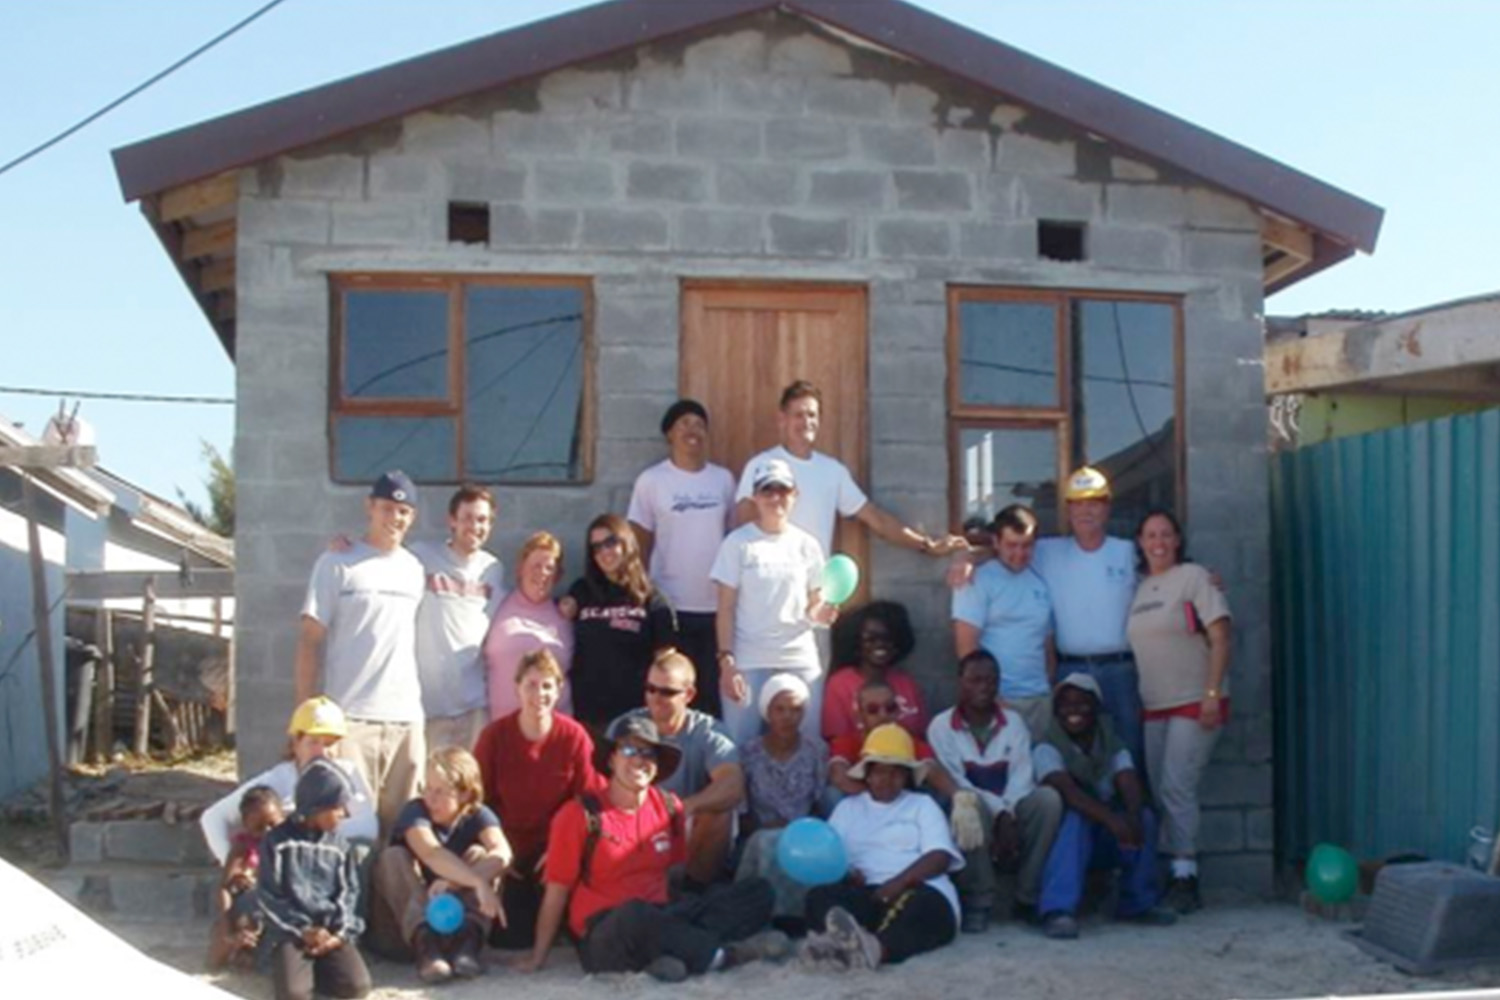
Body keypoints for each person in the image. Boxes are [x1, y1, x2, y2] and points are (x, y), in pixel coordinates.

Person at [515, 715, 785, 982]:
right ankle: (723, 956)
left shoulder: (669, 808)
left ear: (657, 765)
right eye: (629, 750)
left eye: (648, 753)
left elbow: (674, 874)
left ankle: (666, 958)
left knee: (757, 891)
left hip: (659, 913)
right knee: (635, 914)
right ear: (611, 760)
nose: (639, 760)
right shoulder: (580, 814)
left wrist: (693, 908)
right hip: (605, 932)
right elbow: (557, 891)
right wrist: (539, 956)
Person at [296, 470, 426, 833]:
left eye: (403, 512)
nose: (394, 518)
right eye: (386, 508)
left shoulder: (415, 569)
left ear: (411, 517)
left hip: (406, 720)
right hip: (350, 719)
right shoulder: (336, 562)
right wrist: (304, 720)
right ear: (370, 507)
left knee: (405, 833)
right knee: (354, 832)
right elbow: (309, 638)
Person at [1128, 509, 1232, 913]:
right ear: (1140, 541)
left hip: (1195, 701)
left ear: (1177, 540)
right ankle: (1170, 870)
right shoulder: (1140, 588)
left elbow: (1221, 636)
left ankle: (1186, 875)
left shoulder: (1194, 578)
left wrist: (1211, 692)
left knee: (1177, 786)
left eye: (1166, 534)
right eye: (1151, 534)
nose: (1158, 541)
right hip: (1155, 705)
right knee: (1160, 790)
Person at [734, 379, 965, 560]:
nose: (806, 422)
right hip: (766, 593)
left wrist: (926, 545)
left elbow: (876, 519)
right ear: (782, 419)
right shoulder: (760, 465)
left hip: (813, 597)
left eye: (812, 415)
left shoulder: (832, 471)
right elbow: (743, 526)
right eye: (798, 415)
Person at [800, 724, 964, 970]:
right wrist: (846, 873)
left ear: (907, 776)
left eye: (896, 773)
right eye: (879, 772)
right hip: (868, 893)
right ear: (867, 774)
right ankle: (851, 942)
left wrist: (895, 884)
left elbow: (939, 856)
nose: (886, 780)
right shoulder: (848, 808)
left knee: (924, 906)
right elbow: (830, 856)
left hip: (916, 889)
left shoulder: (922, 805)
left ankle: (874, 949)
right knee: (819, 897)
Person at [926, 650, 1063, 933]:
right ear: (960, 682)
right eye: (975, 680)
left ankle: (1027, 896)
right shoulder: (941, 727)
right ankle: (979, 898)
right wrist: (1000, 812)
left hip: (1012, 808)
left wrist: (1008, 813)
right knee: (967, 804)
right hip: (981, 808)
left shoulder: (1013, 723)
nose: (984, 687)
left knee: (1048, 800)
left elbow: (1022, 776)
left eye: (991, 680)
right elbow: (958, 781)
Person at [472, 649, 597, 949]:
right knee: (510, 939)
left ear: (559, 689)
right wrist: (499, 848)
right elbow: (476, 801)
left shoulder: (574, 736)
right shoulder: (494, 736)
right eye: (530, 684)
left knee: (562, 930)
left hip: (554, 849)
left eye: (547, 686)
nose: (538, 694)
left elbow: (588, 798)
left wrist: (560, 848)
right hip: (506, 845)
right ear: (517, 687)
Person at [1035, 674, 1176, 939]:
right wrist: (1113, 821)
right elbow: (1071, 794)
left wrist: (1132, 816)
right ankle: (1058, 910)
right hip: (1067, 844)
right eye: (1065, 705)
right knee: (1078, 819)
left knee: (1145, 817)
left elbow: (1127, 779)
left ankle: (1138, 902)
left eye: (1082, 704)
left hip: (1107, 837)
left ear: (1097, 709)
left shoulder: (1110, 742)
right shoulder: (1047, 747)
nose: (1073, 712)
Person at [1030, 466, 1148, 774]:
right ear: (1067, 510)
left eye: (1094, 503)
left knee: (1128, 751)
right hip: (1069, 669)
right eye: (1078, 504)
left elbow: (1167, 569)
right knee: (1071, 756)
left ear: (1107, 508)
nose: (1086, 511)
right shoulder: (1047, 552)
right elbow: (1000, 548)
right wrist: (963, 561)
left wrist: (1205, 578)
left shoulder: (1128, 552)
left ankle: (1133, 820)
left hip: (1120, 670)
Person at [712, 456, 833, 747]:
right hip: (748, 658)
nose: (775, 498)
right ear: (755, 497)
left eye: (783, 490)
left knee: (807, 744)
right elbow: (725, 608)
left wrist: (823, 613)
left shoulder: (808, 545)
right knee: (739, 745)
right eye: (767, 490)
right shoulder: (737, 543)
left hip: (798, 657)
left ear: (795, 495)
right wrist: (727, 664)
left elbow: (815, 604)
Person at [628, 399, 737, 717]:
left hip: (715, 608)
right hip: (670, 608)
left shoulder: (723, 480)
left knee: (709, 700)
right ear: (669, 435)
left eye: (699, 425)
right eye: (684, 424)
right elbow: (639, 543)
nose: (693, 431)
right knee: (670, 695)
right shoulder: (652, 481)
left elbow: (732, 538)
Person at [370, 748, 511, 983]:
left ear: (465, 795)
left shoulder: (478, 814)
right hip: (405, 929)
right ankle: (427, 947)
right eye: (428, 789)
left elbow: (503, 853)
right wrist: (476, 881)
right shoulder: (415, 811)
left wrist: (456, 882)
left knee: (481, 855)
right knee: (392, 857)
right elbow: (431, 853)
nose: (430, 799)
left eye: (440, 792)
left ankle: (468, 943)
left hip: (454, 921)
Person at [617, 649, 743, 886]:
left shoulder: (708, 731)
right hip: (631, 825)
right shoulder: (628, 726)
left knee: (719, 812)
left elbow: (733, 785)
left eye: (667, 692)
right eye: (650, 688)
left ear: (689, 694)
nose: (656, 697)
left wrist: (683, 808)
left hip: (685, 829)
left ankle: (692, 892)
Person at [201, 697, 377, 866]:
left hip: (332, 869)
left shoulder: (346, 774)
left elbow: (369, 826)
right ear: (296, 742)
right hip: (283, 875)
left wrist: (313, 830)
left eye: (329, 744)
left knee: (360, 851)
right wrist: (236, 869)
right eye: (313, 742)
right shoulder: (277, 779)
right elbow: (213, 818)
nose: (322, 752)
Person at [257, 759, 372, 1000]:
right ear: (317, 806)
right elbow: (269, 896)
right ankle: (296, 969)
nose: (343, 814)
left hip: (329, 932)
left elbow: (348, 893)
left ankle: (317, 966)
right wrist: (304, 930)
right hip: (291, 932)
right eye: (338, 807)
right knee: (294, 994)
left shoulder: (339, 847)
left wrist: (338, 934)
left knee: (357, 986)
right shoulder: (277, 843)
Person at [560, 513, 679, 733]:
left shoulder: (653, 600)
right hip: (587, 716)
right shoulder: (582, 590)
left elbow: (666, 663)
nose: (604, 552)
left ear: (626, 543)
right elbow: (565, 613)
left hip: (635, 719)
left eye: (610, 543)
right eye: (596, 547)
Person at [411, 484, 506, 752]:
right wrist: (348, 548)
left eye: (482, 520)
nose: (475, 526)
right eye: (467, 518)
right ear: (451, 520)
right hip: (427, 709)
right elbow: (383, 556)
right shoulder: (421, 556)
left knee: (471, 789)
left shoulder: (493, 569)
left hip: (474, 708)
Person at [951, 504, 1056, 739]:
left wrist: (1047, 687)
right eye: (1012, 545)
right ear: (996, 542)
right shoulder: (977, 580)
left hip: (1039, 700)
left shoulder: (1039, 582)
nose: (1019, 553)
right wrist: (992, 699)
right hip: (999, 701)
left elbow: (1047, 644)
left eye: (1026, 545)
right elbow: (966, 648)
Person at [735, 675, 828, 926]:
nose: (788, 717)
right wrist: (764, 828)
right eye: (780, 709)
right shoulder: (748, 753)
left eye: (796, 710)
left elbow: (819, 804)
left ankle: (798, 917)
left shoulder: (816, 751)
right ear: (767, 711)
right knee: (769, 844)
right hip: (760, 832)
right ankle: (768, 916)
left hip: (803, 831)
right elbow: (741, 813)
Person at [483, 531, 573, 721]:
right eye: (536, 566)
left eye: (550, 568)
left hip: (554, 728)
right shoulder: (498, 604)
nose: (542, 573)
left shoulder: (565, 614)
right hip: (502, 730)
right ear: (520, 569)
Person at [826, 678, 956, 804]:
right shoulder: (847, 741)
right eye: (873, 710)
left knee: (940, 794)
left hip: (904, 806)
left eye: (890, 707)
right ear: (859, 715)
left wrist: (960, 797)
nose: (883, 715)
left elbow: (932, 770)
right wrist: (881, 796)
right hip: (863, 807)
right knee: (831, 795)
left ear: (898, 711)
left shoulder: (908, 739)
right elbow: (839, 777)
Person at [823, 600, 930, 741]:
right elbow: (837, 742)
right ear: (857, 642)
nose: (880, 644)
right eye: (871, 639)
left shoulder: (907, 683)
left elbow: (920, 738)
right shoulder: (840, 685)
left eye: (887, 638)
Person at [207, 786, 283, 971]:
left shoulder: (290, 843)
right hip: (250, 906)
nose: (267, 832)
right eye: (258, 828)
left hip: (280, 904)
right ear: (245, 824)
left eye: (273, 824)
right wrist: (226, 924)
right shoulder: (243, 847)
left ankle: (251, 953)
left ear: (283, 817)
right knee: (236, 922)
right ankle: (235, 946)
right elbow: (225, 887)